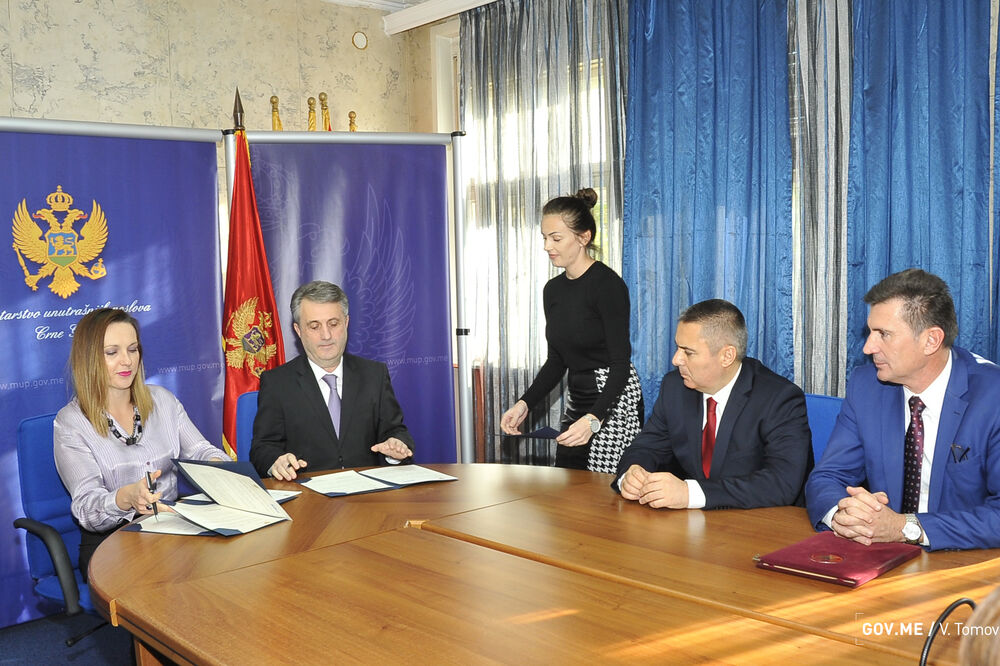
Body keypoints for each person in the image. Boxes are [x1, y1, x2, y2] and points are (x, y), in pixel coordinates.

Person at [806, 269, 1000, 550]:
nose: (868, 347)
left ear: (931, 340)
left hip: (966, 564)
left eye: (883, 334)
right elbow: (828, 477)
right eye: (870, 332)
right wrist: (844, 516)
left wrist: (906, 528)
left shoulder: (992, 396)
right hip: (882, 557)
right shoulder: (866, 385)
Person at [53, 308, 225, 580]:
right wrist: (127, 497)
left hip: (171, 529)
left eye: (133, 349)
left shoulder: (163, 401)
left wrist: (218, 467)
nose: (127, 361)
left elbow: (202, 450)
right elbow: (87, 507)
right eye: (112, 353)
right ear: (89, 359)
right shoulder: (71, 422)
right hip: (113, 544)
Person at [613, 299, 812, 509]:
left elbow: (781, 483)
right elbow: (647, 447)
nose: (676, 359)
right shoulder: (675, 388)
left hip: (760, 525)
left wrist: (689, 493)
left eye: (688, 352)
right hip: (692, 526)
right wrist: (632, 472)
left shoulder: (779, 399)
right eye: (677, 348)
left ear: (727, 356)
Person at [499, 188, 642, 473]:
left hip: (612, 397)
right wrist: (524, 404)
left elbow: (620, 365)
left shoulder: (607, 286)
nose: (547, 246)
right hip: (579, 395)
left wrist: (594, 419)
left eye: (556, 238)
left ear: (583, 237)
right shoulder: (553, 290)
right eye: (544, 237)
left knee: (602, 493)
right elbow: (557, 360)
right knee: (568, 479)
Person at [249, 281, 414, 480]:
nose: (326, 335)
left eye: (333, 324)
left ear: (346, 323)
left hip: (367, 495)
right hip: (308, 497)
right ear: (298, 330)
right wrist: (276, 461)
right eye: (314, 326)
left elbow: (395, 431)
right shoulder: (277, 383)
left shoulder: (374, 374)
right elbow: (262, 448)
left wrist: (395, 449)